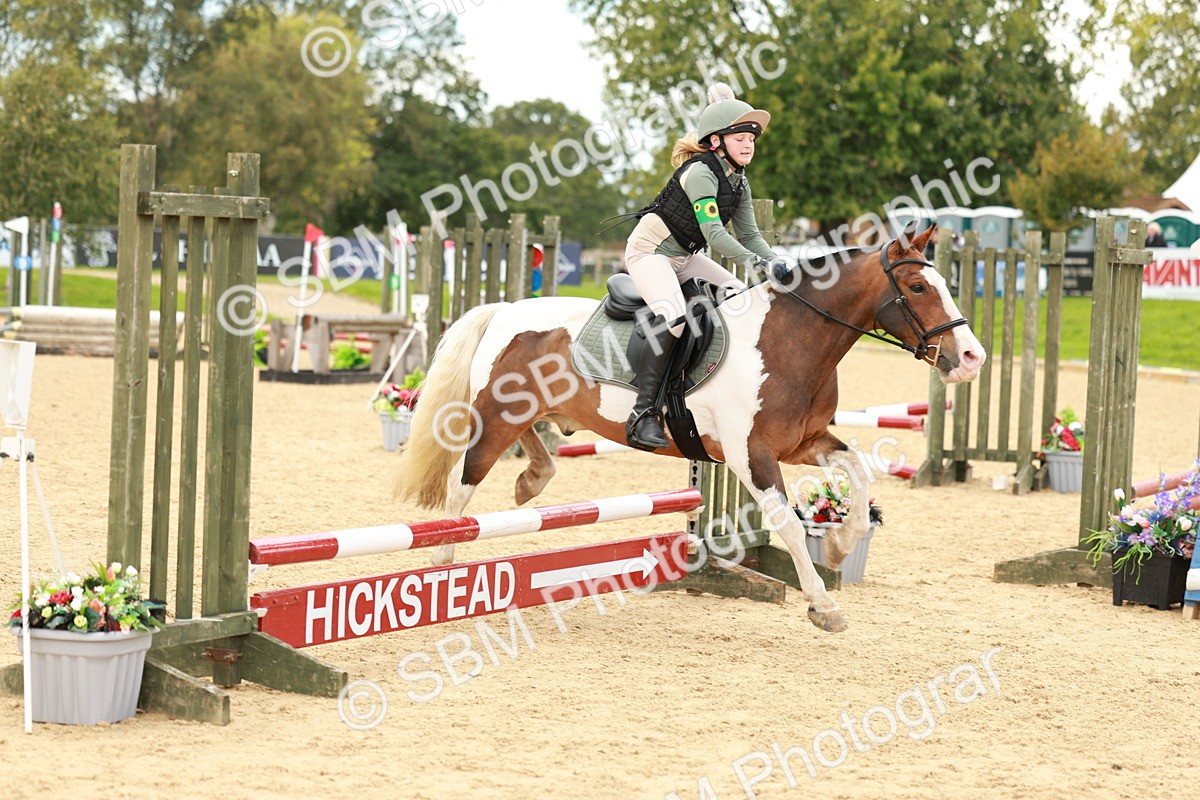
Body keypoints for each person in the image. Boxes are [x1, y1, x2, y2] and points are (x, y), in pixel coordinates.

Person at [621, 82, 785, 451]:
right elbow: (714, 234)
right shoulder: (700, 173)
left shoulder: (739, 182)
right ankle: (642, 413)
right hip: (649, 254)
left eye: (752, 140)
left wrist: (778, 262)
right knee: (675, 319)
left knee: (737, 295)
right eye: (740, 137)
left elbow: (752, 236)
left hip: (684, 256)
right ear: (716, 142)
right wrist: (756, 262)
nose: (748, 145)